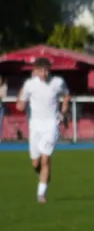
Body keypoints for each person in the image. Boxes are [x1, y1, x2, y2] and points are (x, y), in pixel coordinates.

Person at [17, 57, 69, 204]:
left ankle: (41, 194)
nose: (44, 74)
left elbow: (66, 94)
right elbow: (22, 100)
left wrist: (64, 108)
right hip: (35, 126)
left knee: (46, 159)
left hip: (51, 125)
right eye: (41, 71)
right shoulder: (30, 85)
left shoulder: (57, 82)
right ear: (35, 71)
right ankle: (43, 175)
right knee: (36, 163)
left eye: (47, 70)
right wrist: (20, 104)